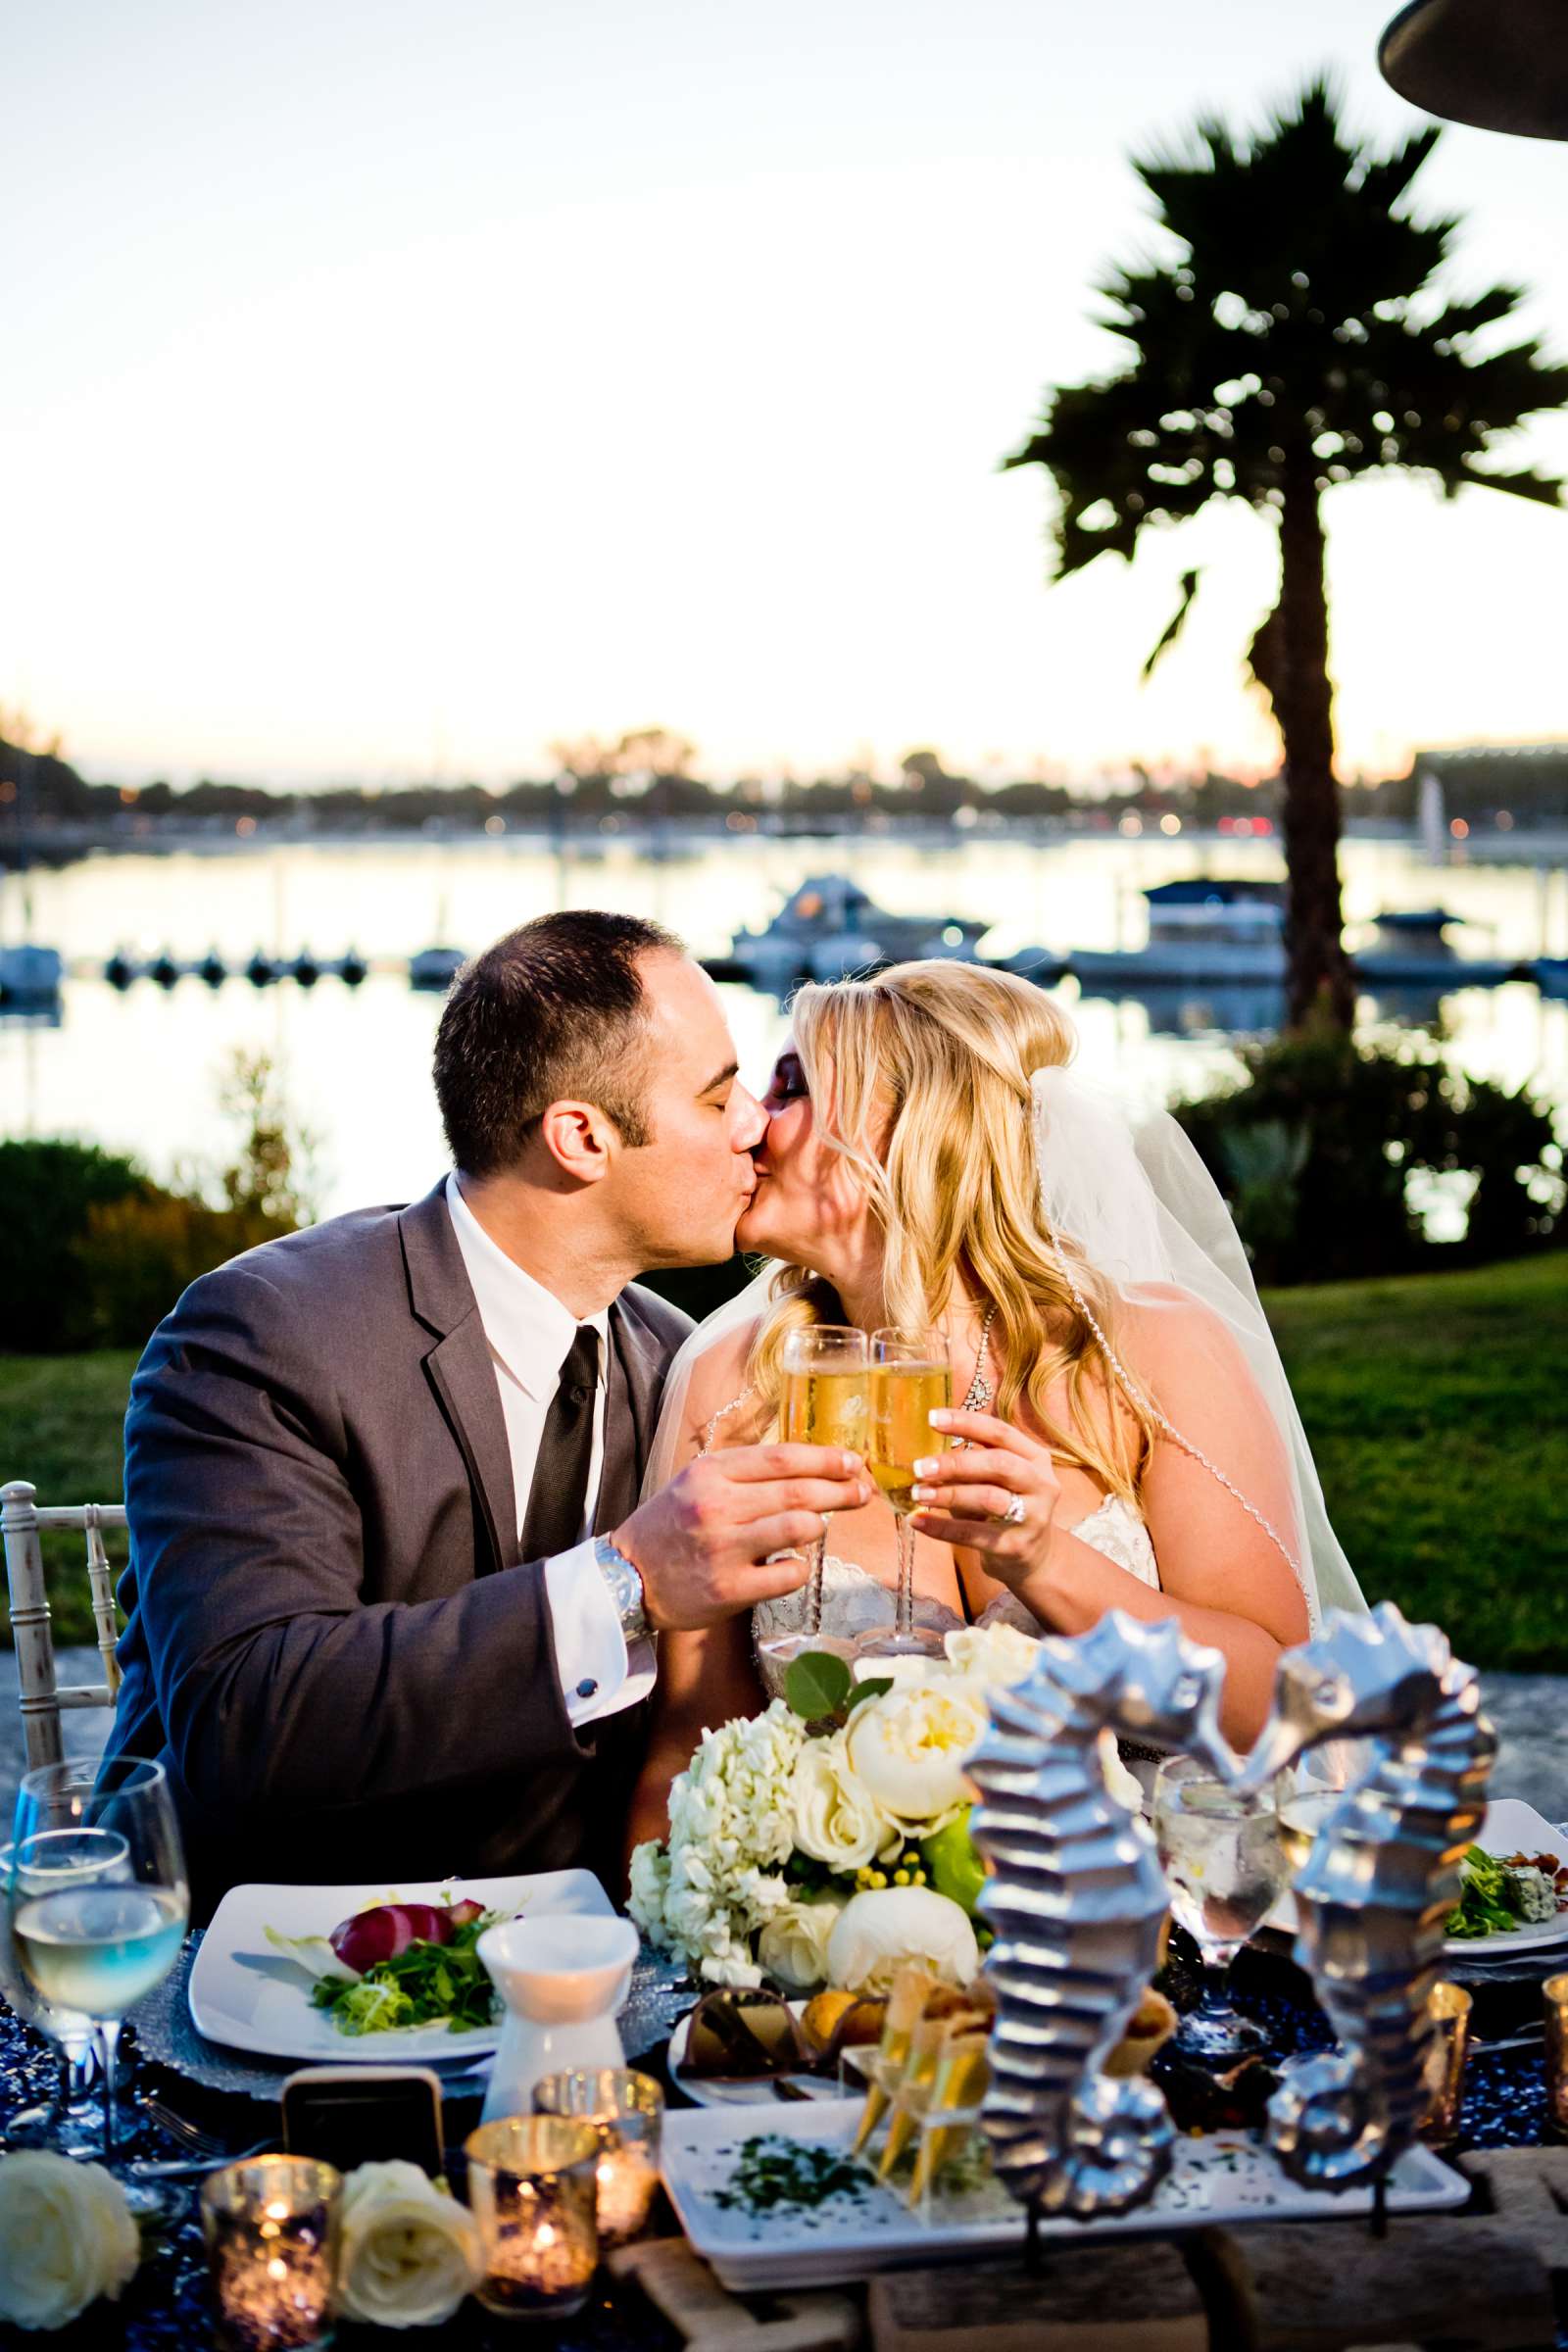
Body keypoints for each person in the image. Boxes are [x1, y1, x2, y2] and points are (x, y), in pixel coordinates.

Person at [107, 911, 872, 1916]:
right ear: (581, 1137)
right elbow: (251, 1721)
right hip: (254, 1959)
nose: (754, 1127)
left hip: (573, 1976)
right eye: (718, 1095)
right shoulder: (264, 1334)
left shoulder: (676, 1365)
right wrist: (628, 1584)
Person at [627, 958, 1364, 1855]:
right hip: (854, 1952)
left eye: (791, 1087)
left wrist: (1045, 1560)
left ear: (911, 1130)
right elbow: (692, 1759)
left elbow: (1282, 1709)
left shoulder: (1150, 1353)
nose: (748, 1123)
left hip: (1159, 1935)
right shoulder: (735, 1390)